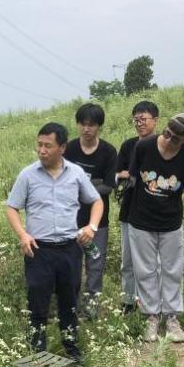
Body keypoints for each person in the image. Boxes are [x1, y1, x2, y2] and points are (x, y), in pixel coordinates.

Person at [6, 123, 102, 362]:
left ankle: (72, 349)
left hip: (70, 249)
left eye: (48, 146)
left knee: (69, 303)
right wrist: (23, 235)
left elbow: (96, 201)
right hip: (38, 250)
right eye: (39, 145)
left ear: (62, 148)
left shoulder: (76, 173)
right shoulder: (27, 175)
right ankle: (38, 356)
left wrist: (91, 227)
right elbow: (11, 207)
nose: (42, 150)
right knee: (37, 304)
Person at [128, 113, 184, 343]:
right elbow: (133, 177)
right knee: (145, 270)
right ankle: (151, 316)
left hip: (171, 221)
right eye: (167, 134)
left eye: (175, 139)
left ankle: (172, 318)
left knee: (172, 270)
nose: (168, 140)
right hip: (141, 219)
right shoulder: (144, 147)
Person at [65, 103, 117, 319]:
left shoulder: (108, 151)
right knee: (72, 265)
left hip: (97, 223)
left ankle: (91, 310)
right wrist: (94, 184)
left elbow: (109, 186)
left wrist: (82, 188)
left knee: (95, 265)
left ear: (99, 126)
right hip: (71, 220)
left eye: (91, 125)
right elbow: (62, 181)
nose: (86, 129)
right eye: (82, 124)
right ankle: (71, 308)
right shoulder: (69, 149)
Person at [116, 100, 159, 313]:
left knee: (154, 263)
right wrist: (124, 175)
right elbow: (117, 174)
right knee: (128, 262)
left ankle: (152, 305)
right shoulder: (128, 146)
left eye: (143, 119)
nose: (140, 123)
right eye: (136, 120)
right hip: (129, 210)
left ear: (155, 120)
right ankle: (128, 304)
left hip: (154, 213)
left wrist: (131, 175)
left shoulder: (163, 145)